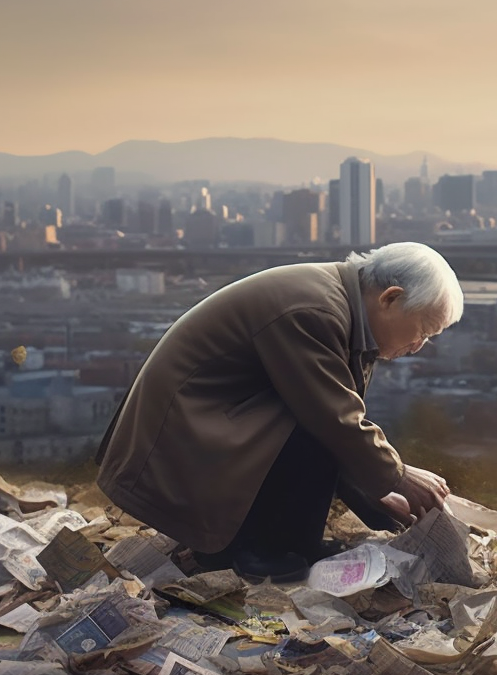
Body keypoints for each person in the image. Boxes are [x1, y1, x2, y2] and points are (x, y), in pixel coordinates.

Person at [95, 242, 461, 582]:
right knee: (313, 423)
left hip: (212, 425)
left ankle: (293, 546)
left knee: (318, 422)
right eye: (423, 331)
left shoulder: (341, 306)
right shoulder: (314, 311)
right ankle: (256, 550)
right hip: (180, 436)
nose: (418, 346)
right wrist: (397, 476)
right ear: (390, 299)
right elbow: (332, 418)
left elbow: (338, 418)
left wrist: (379, 494)